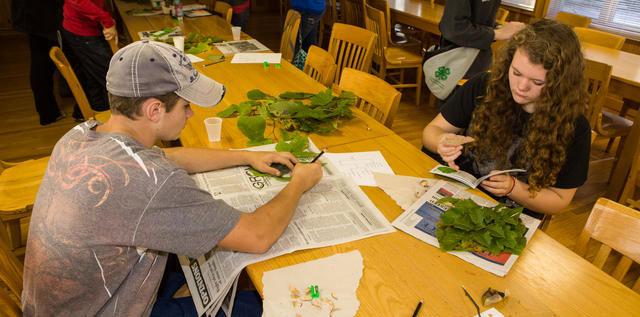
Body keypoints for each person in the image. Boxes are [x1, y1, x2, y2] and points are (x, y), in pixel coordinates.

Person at [22, 40, 323, 316]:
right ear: (154, 110)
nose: (191, 115)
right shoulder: (150, 182)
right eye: (186, 106)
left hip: (64, 304)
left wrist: (245, 155)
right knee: (264, 303)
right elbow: (257, 235)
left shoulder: (82, 136)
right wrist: (299, 182)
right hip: (106, 308)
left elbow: (167, 157)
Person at [422, 20, 590, 217]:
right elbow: (430, 133)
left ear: (560, 83)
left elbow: (560, 200)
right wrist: (442, 142)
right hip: (461, 191)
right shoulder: (484, 86)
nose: (521, 87)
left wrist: (513, 188)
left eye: (537, 82)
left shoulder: (574, 127)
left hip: (512, 214)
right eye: (516, 73)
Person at [438, 0, 526, 79]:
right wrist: (497, 33)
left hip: (480, 59)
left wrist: (499, 29)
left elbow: (479, 21)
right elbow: (452, 28)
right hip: (456, 63)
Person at [11, 0, 66, 125]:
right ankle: (49, 112)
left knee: (42, 58)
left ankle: (49, 111)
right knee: (43, 61)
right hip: (41, 14)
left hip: (33, 14)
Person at [60, 0, 116, 120]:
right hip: (81, 30)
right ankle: (111, 118)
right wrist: (107, 20)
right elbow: (79, 1)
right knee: (112, 75)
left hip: (85, 27)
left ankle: (100, 115)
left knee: (93, 73)